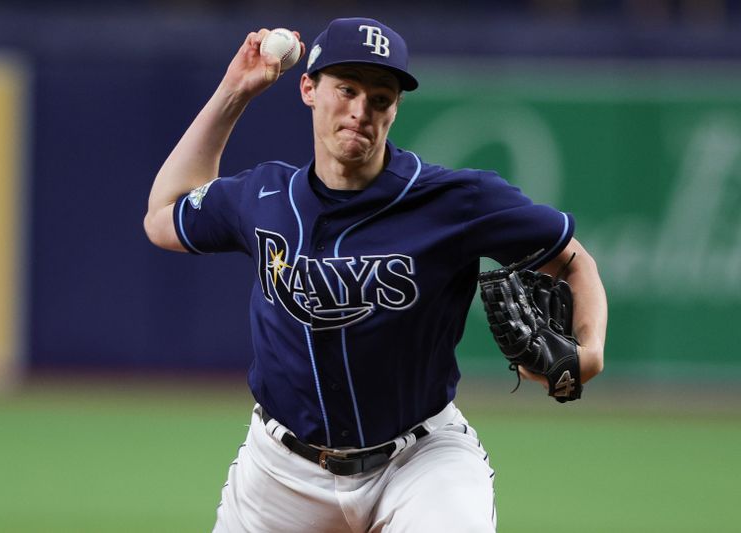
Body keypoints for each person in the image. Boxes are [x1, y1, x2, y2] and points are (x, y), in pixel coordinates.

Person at [144, 17, 607, 533]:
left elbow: (572, 261)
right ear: (308, 89)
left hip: (419, 462)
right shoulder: (262, 197)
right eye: (346, 89)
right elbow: (163, 216)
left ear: (395, 109)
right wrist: (235, 91)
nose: (360, 110)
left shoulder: (455, 200)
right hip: (280, 472)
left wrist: (589, 351)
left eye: (380, 97)